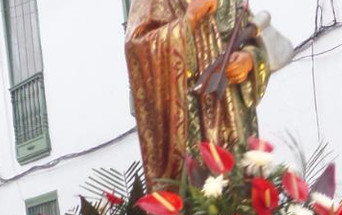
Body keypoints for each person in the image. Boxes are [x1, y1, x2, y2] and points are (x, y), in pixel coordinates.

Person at [125, 0, 292, 185]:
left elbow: (250, 33)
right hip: (186, 116)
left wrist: (250, 59)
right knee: (197, 192)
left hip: (233, 113)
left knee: (239, 186)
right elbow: (137, 50)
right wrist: (189, 18)